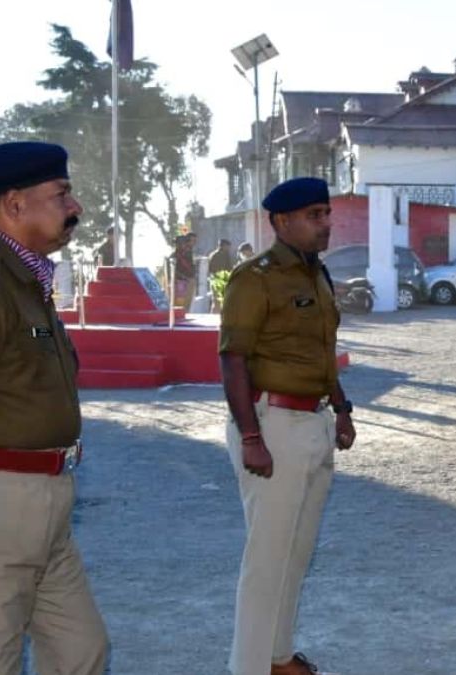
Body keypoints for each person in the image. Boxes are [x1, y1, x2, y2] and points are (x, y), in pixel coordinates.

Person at [0, 141, 108, 673]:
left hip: (49, 500)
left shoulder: (26, 281)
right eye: (61, 193)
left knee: (81, 653)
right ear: (15, 205)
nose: (75, 207)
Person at [218, 177, 357, 675]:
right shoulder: (254, 278)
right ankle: (248, 667)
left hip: (313, 420)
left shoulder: (315, 274)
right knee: (266, 560)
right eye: (314, 215)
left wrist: (341, 409)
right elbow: (232, 359)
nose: (326, 223)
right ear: (281, 222)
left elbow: (320, 353)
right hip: (271, 423)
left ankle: (276, 657)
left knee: (295, 555)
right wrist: (251, 437)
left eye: (326, 213)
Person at [172, 233, 197, 309]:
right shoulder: (175, 255)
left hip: (189, 280)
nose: (181, 245)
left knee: (187, 303)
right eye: (179, 243)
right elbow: (174, 270)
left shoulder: (188, 253)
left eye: (183, 243)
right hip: (181, 281)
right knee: (179, 304)